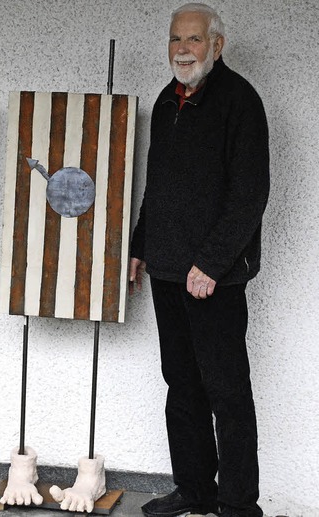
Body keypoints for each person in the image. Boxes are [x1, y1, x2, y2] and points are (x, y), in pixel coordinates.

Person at [129, 4, 269, 517]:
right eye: (175, 39)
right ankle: (194, 491)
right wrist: (140, 247)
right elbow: (158, 186)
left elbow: (250, 194)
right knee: (182, 388)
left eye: (192, 39)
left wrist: (210, 264)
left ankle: (237, 505)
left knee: (227, 395)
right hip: (167, 272)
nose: (182, 49)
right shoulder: (170, 99)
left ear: (217, 45)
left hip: (216, 279)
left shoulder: (240, 102)